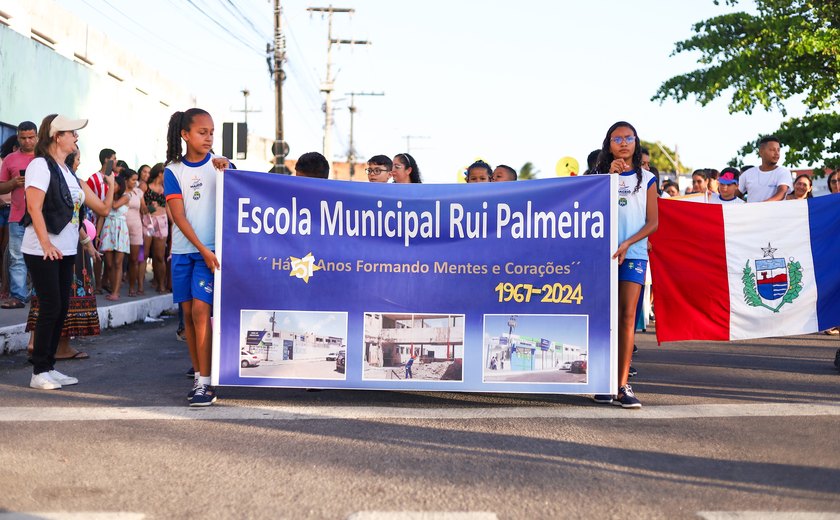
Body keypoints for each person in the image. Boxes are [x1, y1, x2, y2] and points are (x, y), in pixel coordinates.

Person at [23, 114, 115, 390]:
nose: (76, 137)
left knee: (62, 307)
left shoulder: (67, 171)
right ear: (56, 135)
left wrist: (85, 240)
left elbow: (95, 210)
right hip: (42, 250)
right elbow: (33, 208)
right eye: (72, 133)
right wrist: (46, 243)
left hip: (66, 249)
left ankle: (49, 366)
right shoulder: (40, 165)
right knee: (51, 307)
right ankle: (39, 371)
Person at [590, 121, 658, 408]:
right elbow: (593, 212)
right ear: (609, 144)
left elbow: (653, 222)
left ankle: (621, 385)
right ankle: (603, 382)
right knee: (605, 318)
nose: (623, 143)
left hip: (634, 253)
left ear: (636, 142)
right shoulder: (599, 178)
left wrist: (629, 243)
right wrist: (609, 179)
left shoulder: (648, 177)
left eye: (628, 137)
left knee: (627, 317)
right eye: (617, 138)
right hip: (603, 255)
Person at [164, 108, 229, 407]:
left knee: (202, 313)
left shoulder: (221, 166)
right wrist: (200, 248)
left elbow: (241, 199)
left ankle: (206, 383)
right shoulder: (173, 170)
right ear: (185, 135)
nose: (208, 137)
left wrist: (228, 171)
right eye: (202, 132)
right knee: (188, 317)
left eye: (212, 132)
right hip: (184, 252)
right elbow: (178, 216)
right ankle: (199, 375)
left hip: (211, 253)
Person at [26, 150, 100, 361]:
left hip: (62, 245)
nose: (79, 162)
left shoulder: (66, 178)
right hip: (58, 247)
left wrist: (88, 245)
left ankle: (42, 354)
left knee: (50, 301)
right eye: (77, 159)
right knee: (57, 301)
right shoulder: (52, 172)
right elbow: (36, 208)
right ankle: (47, 359)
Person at [0, 121, 37, 309]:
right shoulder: (10, 159)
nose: (27, 141)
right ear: (18, 137)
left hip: (41, 218)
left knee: (40, 257)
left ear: (37, 137)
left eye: (31, 137)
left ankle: (41, 296)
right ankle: (18, 296)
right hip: (17, 216)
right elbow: (0, 187)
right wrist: (14, 183)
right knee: (16, 257)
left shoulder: (44, 158)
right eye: (23, 138)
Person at [87, 148, 116, 294]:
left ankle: (105, 282)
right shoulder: (93, 179)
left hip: (112, 220)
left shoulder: (115, 177)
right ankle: (97, 284)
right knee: (97, 252)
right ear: (106, 160)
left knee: (109, 253)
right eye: (114, 158)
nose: (116, 161)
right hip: (96, 219)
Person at [99, 173, 130, 301]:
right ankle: (112, 288)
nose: (112, 186)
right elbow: (102, 214)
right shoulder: (107, 198)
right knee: (109, 263)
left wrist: (109, 193)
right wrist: (97, 234)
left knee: (118, 263)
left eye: (115, 184)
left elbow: (115, 206)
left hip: (120, 230)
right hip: (108, 229)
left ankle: (116, 292)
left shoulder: (126, 196)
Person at [738, 136, 792, 202]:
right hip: (752, 212)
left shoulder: (783, 172)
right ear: (761, 152)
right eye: (772, 150)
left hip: (775, 212)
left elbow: (781, 193)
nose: (776, 153)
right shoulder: (748, 174)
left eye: (778, 150)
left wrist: (762, 206)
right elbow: (734, 195)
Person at [121, 169, 149, 296]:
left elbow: (143, 209)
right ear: (126, 180)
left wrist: (149, 208)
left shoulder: (138, 192)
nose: (135, 182)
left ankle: (132, 287)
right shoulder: (120, 192)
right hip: (121, 227)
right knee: (118, 260)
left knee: (134, 259)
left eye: (136, 179)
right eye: (133, 179)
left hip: (136, 227)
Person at [143, 163, 169, 294]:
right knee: (145, 254)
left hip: (162, 221)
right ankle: (140, 284)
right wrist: (149, 207)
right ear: (160, 173)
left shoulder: (166, 187)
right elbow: (140, 205)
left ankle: (161, 284)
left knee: (160, 256)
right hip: (148, 220)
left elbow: (169, 207)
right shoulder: (146, 187)